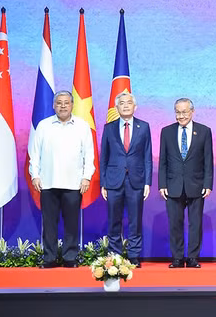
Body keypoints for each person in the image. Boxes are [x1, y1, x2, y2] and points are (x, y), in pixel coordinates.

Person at [28, 91, 95, 268]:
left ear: (72, 105)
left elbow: (89, 154)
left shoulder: (82, 126)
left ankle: (70, 258)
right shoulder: (43, 125)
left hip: (74, 184)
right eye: (59, 103)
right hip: (48, 183)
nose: (63, 106)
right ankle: (49, 258)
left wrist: (86, 177)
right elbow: (34, 154)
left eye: (66, 103)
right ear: (53, 105)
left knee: (71, 223)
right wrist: (34, 174)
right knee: (49, 223)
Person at [158, 98, 213, 269]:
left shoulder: (204, 131)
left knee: (195, 223)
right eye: (177, 112)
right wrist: (162, 184)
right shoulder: (166, 132)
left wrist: (208, 184)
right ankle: (177, 257)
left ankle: (193, 257)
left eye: (184, 112)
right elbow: (163, 161)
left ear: (192, 112)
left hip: (196, 184)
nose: (180, 116)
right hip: (173, 185)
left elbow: (208, 160)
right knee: (175, 223)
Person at [100, 92, 153, 267]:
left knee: (135, 221)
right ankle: (115, 256)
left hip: (136, 181)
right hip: (114, 181)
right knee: (114, 220)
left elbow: (147, 156)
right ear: (117, 107)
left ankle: (133, 256)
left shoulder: (143, 127)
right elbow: (104, 157)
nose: (125, 105)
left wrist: (147, 182)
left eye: (128, 103)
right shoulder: (109, 128)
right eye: (121, 103)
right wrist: (103, 183)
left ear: (134, 106)